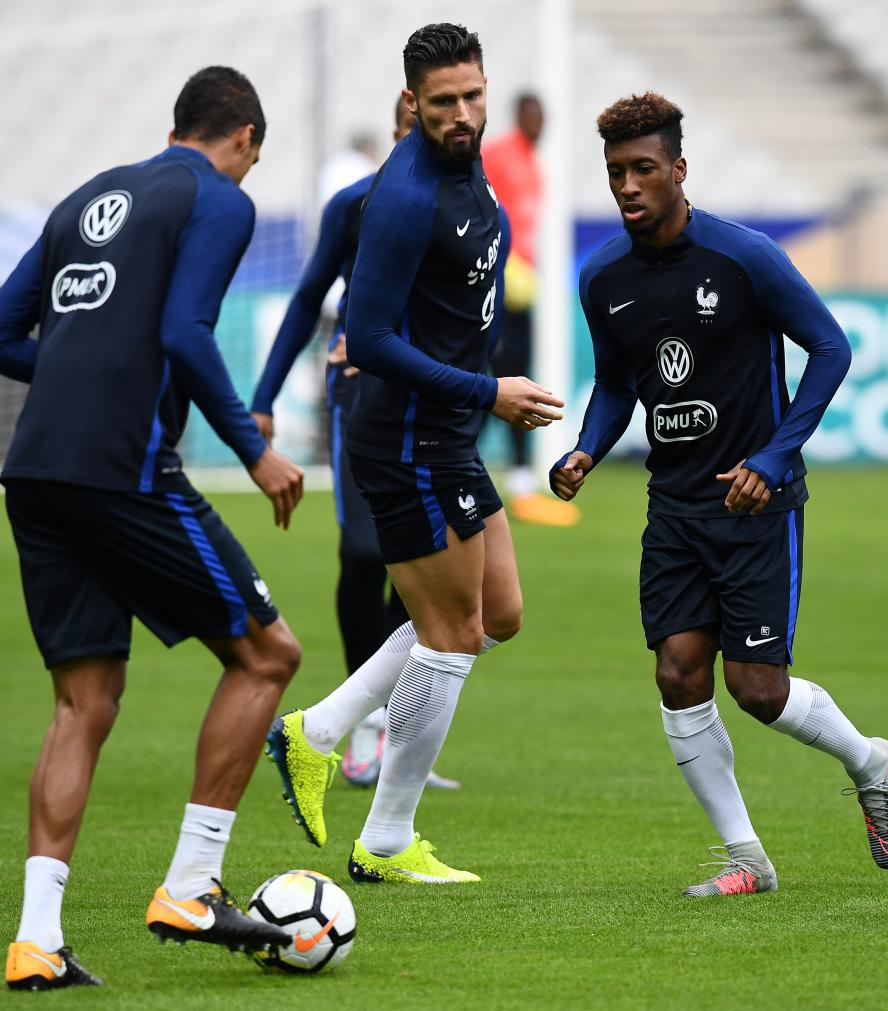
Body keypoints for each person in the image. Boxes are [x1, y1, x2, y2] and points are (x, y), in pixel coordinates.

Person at [0, 67, 306, 990]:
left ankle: (35, 941)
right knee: (268, 654)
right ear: (242, 137)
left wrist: (79, 373)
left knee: (83, 703)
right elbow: (188, 335)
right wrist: (255, 451)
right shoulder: (217, 198)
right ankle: (193, 885)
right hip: (122, 470)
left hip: (35, 472)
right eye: (252, 161)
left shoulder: (85, 196)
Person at [551, 91, 888, 897]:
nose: (629, 186)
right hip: (673, 506)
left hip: (756, 506)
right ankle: (746, 856)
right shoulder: (603, 276)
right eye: (616, 172)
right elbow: (617, 383)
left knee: (756, 688)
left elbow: (830, 347)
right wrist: (585, 446)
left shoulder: (744, 257)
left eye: (645, 168)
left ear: (679, 170)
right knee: (678, 672)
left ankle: (868, 761)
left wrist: (777, 457)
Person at [265, 22, 563, 884]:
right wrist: (490, 390)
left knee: (497, 616)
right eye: (443, 102)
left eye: (472, 95)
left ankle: (317, 730)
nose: (462, 113)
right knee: (450, 635)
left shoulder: (469, 165)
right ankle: (387, 839)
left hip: (448, 430)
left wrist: (476, 395)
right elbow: (370, 335)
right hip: (403, 438)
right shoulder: (398, 199)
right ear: (413, 103)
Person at [251, 97, 459, 791]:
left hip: (437, 405)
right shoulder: (355, 205)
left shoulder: (462, 205)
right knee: (365, 551)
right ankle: (360, 727)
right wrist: (264, 397)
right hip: (362, 402)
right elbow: (309, 297)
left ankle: (398, 737)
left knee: (428, 572)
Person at [482, 94, 577, 527]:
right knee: (494, 375)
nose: (537, 123)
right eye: (531, 115)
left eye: (542, 116)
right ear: (519, 116)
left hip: (523, 285)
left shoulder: (536, 168)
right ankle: (486, 472)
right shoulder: (499, 154)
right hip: (498, 282)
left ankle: (517, 481)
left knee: (512, 373)